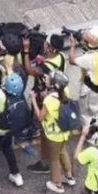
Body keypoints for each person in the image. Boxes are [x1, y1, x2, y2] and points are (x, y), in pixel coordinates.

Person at [22, 34, 66, 173]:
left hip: (44, 100)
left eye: (47, 43)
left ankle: (45, 163)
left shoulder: (47, 67)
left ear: (51, 48)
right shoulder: (61, 56)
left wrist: (26, 50)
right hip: (56, 97)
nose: (44, 44)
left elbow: (29, 69)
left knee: (43, 130)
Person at [30, 71, 76, 194]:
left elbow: (40, 117)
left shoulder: (49, 100)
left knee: (54, 159)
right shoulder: (65, 91)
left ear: (54, 85)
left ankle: (57, 184)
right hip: (63, 133)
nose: (46, 78)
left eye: (49, 78)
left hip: (53, 135)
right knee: (63, 152)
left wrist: (33, 100)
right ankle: (69, 176)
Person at [0, 76, 23, 192]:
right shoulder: (18, 96)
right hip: (9, 130)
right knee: (8, 150)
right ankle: (16, 175)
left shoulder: (0, 96)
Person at [70, 25, 98, 125]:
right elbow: (91, 47)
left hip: (90, 90)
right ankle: (94, 120)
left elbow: (72, 60)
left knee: (85, 114)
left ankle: (89, 130)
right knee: (94, 108)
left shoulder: (90, 59)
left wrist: (72, 45)